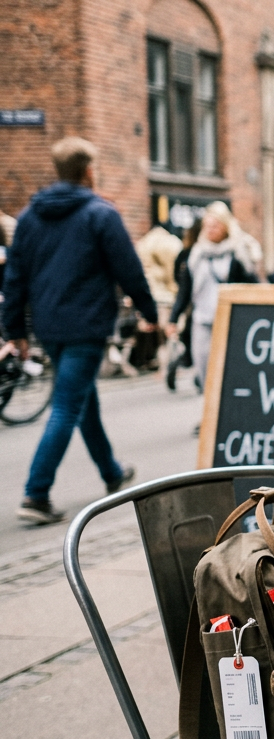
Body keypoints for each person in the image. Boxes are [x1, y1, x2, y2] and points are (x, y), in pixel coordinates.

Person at [3, 137, 153, 524]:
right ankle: (36, 493)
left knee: (83, 400)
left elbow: (14, 278)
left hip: (49, 327)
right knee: (68, 405)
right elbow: (129, 269)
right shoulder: (100, 214)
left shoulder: (29, 218)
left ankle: (111, 472)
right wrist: (150, 311)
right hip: (86, 326)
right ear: (88, 171)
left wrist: (14, 330)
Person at [179, 202, 258, 392]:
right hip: (202, 318)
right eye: (207, 226)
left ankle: (226, 406)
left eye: (215, 226)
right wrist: (174, 318)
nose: (210, 230)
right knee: (203, 366)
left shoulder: (237, 252)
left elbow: (251, 284)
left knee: (231, 369)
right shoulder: (196, 254)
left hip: (231, 320)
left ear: (225, 226)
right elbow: (185, 289)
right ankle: (209, 405)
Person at [165, 219, 201, 391]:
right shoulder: (194, 254)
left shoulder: (186, 252)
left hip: (193, 304)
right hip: (199, 305)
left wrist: (174, 317)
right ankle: (196, 367)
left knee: (189, 334)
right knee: (193, 336)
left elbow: (177, 277)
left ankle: (187, 360)